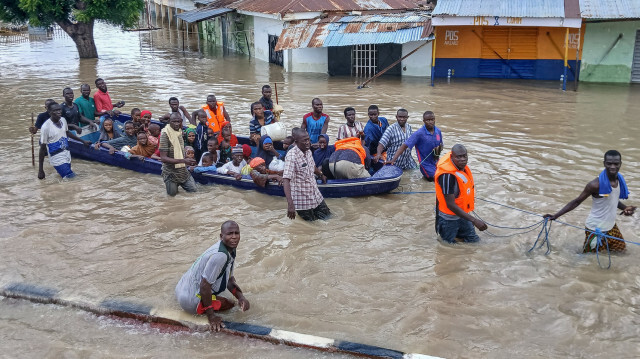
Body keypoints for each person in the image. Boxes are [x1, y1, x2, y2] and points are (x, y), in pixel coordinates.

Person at [544, 150, 636, 253]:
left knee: (621, 252)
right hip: (595, 229)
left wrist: (625, 208)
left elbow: (611, 199)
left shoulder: (619, 179)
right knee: (588, 258)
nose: (613, 167)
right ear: (604, 163)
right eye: (609, 163)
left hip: (611, 226)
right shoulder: (595, 185)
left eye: (616, 164)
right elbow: (577, 201)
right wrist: (555, 215)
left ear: (620, 164)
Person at [175, 220, 250, 332]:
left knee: (231, 298)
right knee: (230, 305)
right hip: (190, 301)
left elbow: (229, 279)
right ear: (221, 236)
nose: (234, 237)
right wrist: (211, 317)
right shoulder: (221, 256)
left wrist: (240, 297)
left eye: (236, 233)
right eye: (230, 234)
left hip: (180, 289)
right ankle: (203, 310)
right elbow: (204, 285)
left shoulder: (229, 250)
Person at [434, 144, 487, 243]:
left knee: (474, 241)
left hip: (463, 215)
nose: (463, 159)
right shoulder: (447, 176)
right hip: (448, 219)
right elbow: (450, 205)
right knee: (447, 246)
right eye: (459, 157)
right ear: (452, 157)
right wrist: (474, 220)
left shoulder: (462, 168)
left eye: (464, 156)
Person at [283, 129, 330, 221]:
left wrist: (321, 174)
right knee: (311, 228)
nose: (308, 142)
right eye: (304, 140)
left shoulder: (308, 151)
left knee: (329, 218)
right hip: (302, 201)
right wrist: (290, 204)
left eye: (308, 139)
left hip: (316, 195)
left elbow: (312, 167)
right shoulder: (292, 156)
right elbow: (286, 180)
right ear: (296, 142)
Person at [38, 102, 91, 179]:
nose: (59, 112)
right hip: (56, 156)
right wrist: (40, 170)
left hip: (66, 153)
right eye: (55, 110)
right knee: (72, 178)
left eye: (59, 110)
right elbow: (42, 149)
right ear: (49, 112)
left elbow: (67, 133)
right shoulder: (46, 127)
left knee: (65, 178)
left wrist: (82, 141)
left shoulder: (63, 120)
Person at [388, 111, 443, 181]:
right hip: (425, 165)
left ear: (435, 119)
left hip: (436, 162)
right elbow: (404, 146)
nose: (430, 122)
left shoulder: (438, 131)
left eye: (432, 119)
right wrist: (393, 160)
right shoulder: (419, 133)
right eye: (428, 120)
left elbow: (441, 145)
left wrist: (438, 152)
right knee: (438, 179)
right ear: (424, 121)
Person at [159, 112, 197, 196]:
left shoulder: (179, 131)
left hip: (183, 171)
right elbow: (163, 158)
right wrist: (184, 160)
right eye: (173, 121)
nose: (176, 124)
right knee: (172, 197)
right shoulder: (165, 135)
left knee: (194, 192)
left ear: (181, 121)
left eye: (178, 122)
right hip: (170, 173)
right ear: (169, 121)